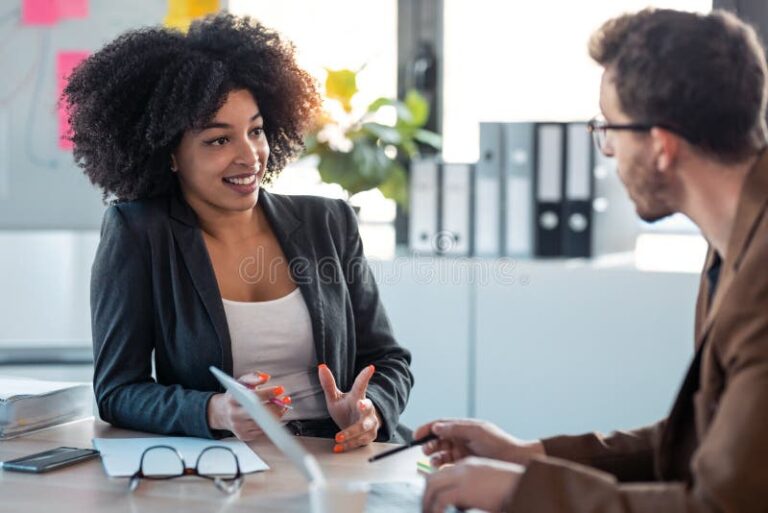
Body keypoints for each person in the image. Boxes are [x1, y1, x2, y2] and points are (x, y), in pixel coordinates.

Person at [417, 8, 768, 512]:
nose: (607, 152)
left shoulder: (760, 276)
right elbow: (703, 438)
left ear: (662, 145)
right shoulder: (732, 242)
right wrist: (528, 456)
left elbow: (719, 506)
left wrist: (525, 493)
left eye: (610, 128)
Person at [64, 13, 413, 450]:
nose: (250, 157)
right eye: (218, 140)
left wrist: (369, 411)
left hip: (342, 457)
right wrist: (216, 410)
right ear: (170, 154)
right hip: (226, 463)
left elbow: (387, 359)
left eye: (256, 131)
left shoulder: (328, 223)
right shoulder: (140, 234)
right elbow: (117, 392)